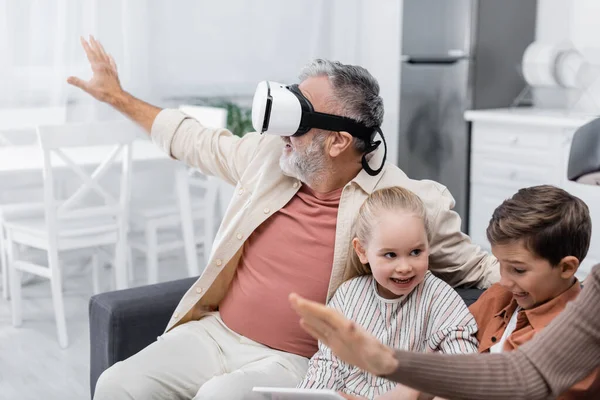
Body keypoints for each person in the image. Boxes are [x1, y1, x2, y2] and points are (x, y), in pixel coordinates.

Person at [69, 36, 498, 400]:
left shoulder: (406, 202)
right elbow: (193, 140)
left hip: (295, 361)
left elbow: (478, 268)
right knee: (118, 384)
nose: (280, 132)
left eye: (296, 119)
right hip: (214, 333)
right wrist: (117, 97)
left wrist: (559, 301)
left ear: (337, 142)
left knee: (219, 397)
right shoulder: (271, 159)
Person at [297, 186, 478, 399]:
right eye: (390, 255)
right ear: (362, 251)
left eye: (415, 252)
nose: (404, 267)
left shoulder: (439, 298)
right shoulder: (348, 295)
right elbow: (328, 364)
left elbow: (464, 367)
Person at [466, 185, 599, 399]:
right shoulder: (499, 296)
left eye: (518, 269)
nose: (504, 280)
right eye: (500, 263)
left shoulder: (578, 343)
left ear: (566, 268)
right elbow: (451, 335)